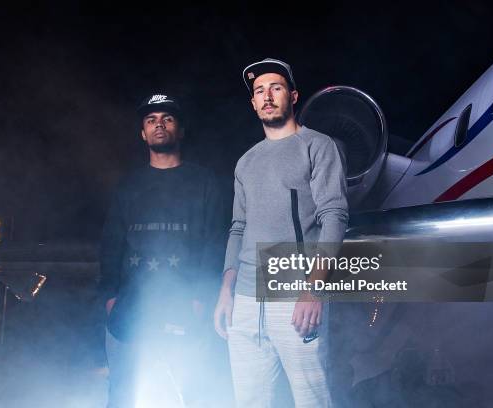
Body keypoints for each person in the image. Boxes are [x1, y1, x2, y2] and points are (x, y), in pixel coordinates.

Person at [213, 58, 349, 407]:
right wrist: (226, 291)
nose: (267, 96)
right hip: (244, 301)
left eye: (275, 88)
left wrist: (314, 289)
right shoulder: (245, 162)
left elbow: (334, 215)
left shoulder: (317, 146)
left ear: (292, 95)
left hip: (295, 296)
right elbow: (237, 228)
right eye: (260, 91)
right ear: (254, 103)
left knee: (312, 399)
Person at [99, 93, 225, 407]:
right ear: (143, 133)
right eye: (151, 120)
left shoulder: (204, 182)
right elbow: (111, 243)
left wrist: (201, 299)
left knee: (190, 393)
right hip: (130, 310)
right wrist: (110, 298)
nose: (159, 125)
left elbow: (215, 242)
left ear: (180, 130)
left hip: (186, 307)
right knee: (124, 393)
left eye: (167, 119)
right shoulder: (129, 184)